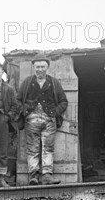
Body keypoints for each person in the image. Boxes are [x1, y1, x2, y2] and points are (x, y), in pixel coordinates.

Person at [18, 53, 68, 185]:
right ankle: (33, 176)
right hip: (31, 120)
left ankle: (46, 175)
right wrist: (25, 111)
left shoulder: (54, 83)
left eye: (43, 67)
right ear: (34, 67)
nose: (40, 69)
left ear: (47, 67)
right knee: (32, 148)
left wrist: (54, 113)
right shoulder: (27, 83)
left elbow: (63, 102)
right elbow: (17, 101)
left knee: (48, 148)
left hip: (49, 121)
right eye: (37, 66)